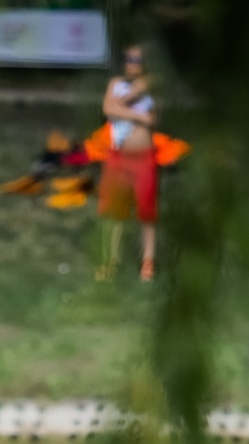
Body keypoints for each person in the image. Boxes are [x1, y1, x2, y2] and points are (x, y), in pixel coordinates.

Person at [97, 45, 160, 283]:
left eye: (137, 60)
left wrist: (121, 106)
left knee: (147, 210)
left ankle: (148, 261)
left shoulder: (151, 84)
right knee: (114, 210)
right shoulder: (115, 83)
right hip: (118, 156)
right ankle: (110, 261)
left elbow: (150, 117)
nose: (132, 63)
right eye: (128, 59)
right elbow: (107, 108)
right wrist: (138, 116)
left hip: (143, 158)